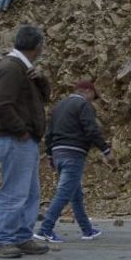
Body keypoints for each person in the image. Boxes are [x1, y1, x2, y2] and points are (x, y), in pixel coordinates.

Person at [0, 24, 51, 258]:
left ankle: (22, 236)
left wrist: (41, 80)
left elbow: (44, 98)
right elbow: (2, 105)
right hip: (14, 138)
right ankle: (4, 239)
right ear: (37, 46)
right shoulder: (11, 69)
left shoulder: (24, 69)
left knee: (30, 191)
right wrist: (21, 131)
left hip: (23, 139)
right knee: (15, 191)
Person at [35, 80, 115, 242]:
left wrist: (50, 155)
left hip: (58, 153)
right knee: (64, 193)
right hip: (74, 153)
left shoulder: (59, 106)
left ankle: (87, 230)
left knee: (75, 194)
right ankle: (45, 229)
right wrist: (106, 150)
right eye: (93, 96)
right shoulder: (83, 105)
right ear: (86, 91)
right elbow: (91, 129)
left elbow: (48, 133)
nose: (93, 100)